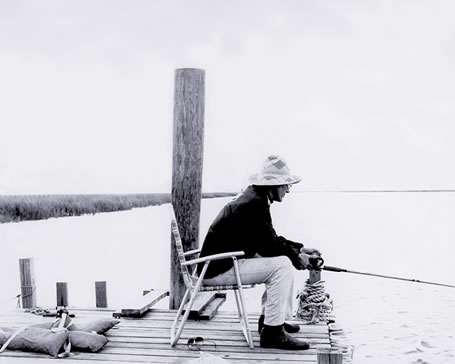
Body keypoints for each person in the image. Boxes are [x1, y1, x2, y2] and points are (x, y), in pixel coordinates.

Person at [197, 155, 321, 350]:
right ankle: (272, 332)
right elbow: (269, 246)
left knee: (282, 260)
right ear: (274, 185)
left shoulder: (254, 198)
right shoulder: (254, 204)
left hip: (219, 264)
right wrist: (297, 257)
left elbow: (268, 239)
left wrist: (300, 249)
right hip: (216, 270)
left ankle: (270, 321)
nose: (288, 190)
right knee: (283, 265)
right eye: (285, 185)